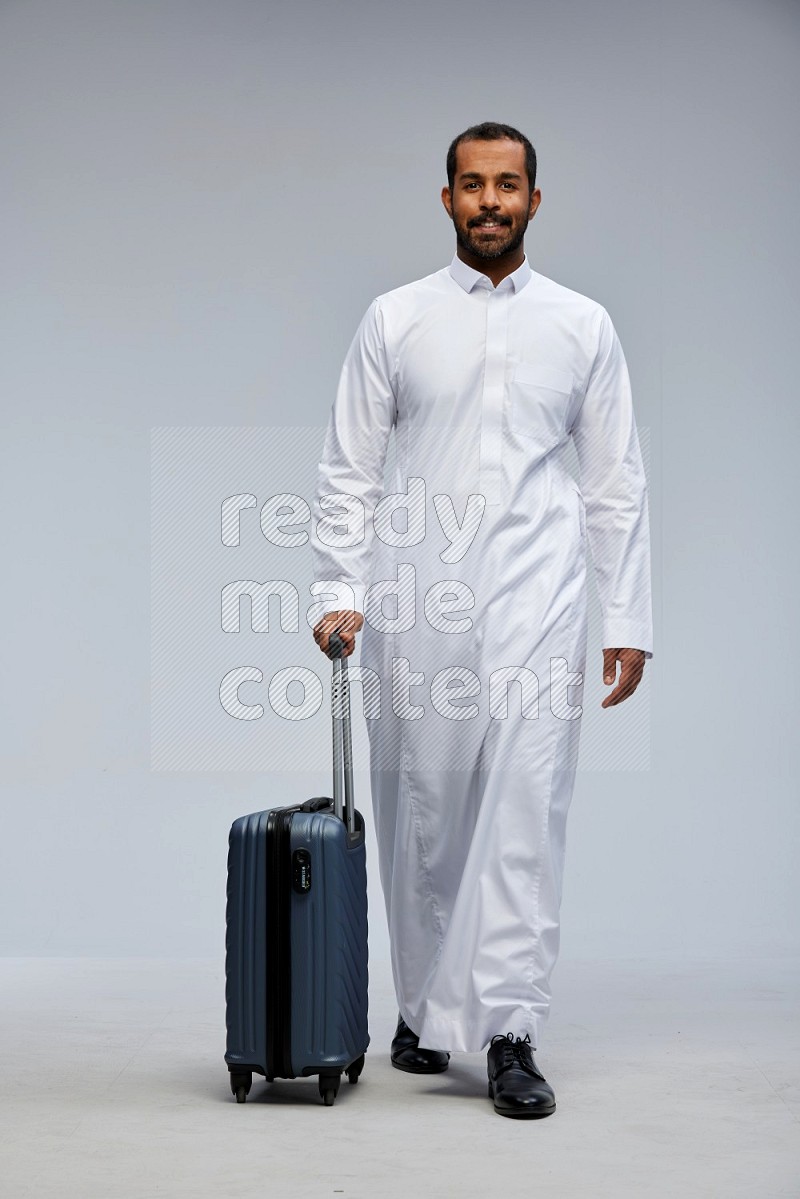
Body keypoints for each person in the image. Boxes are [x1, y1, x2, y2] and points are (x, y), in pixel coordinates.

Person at [310, 121, 653, 1119]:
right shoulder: (395, 319)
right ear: (447, 198)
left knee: (522, 811)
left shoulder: (581, 326)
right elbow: (347, 462)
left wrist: (623, 612)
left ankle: (508, 1027)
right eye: (472, 185)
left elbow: (614, 480)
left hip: (543, 596)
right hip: (418, 594)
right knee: (428, 804)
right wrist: (339, 585)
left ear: (535, 200)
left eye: (508, 186)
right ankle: (420, 1007)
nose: (490, 201)